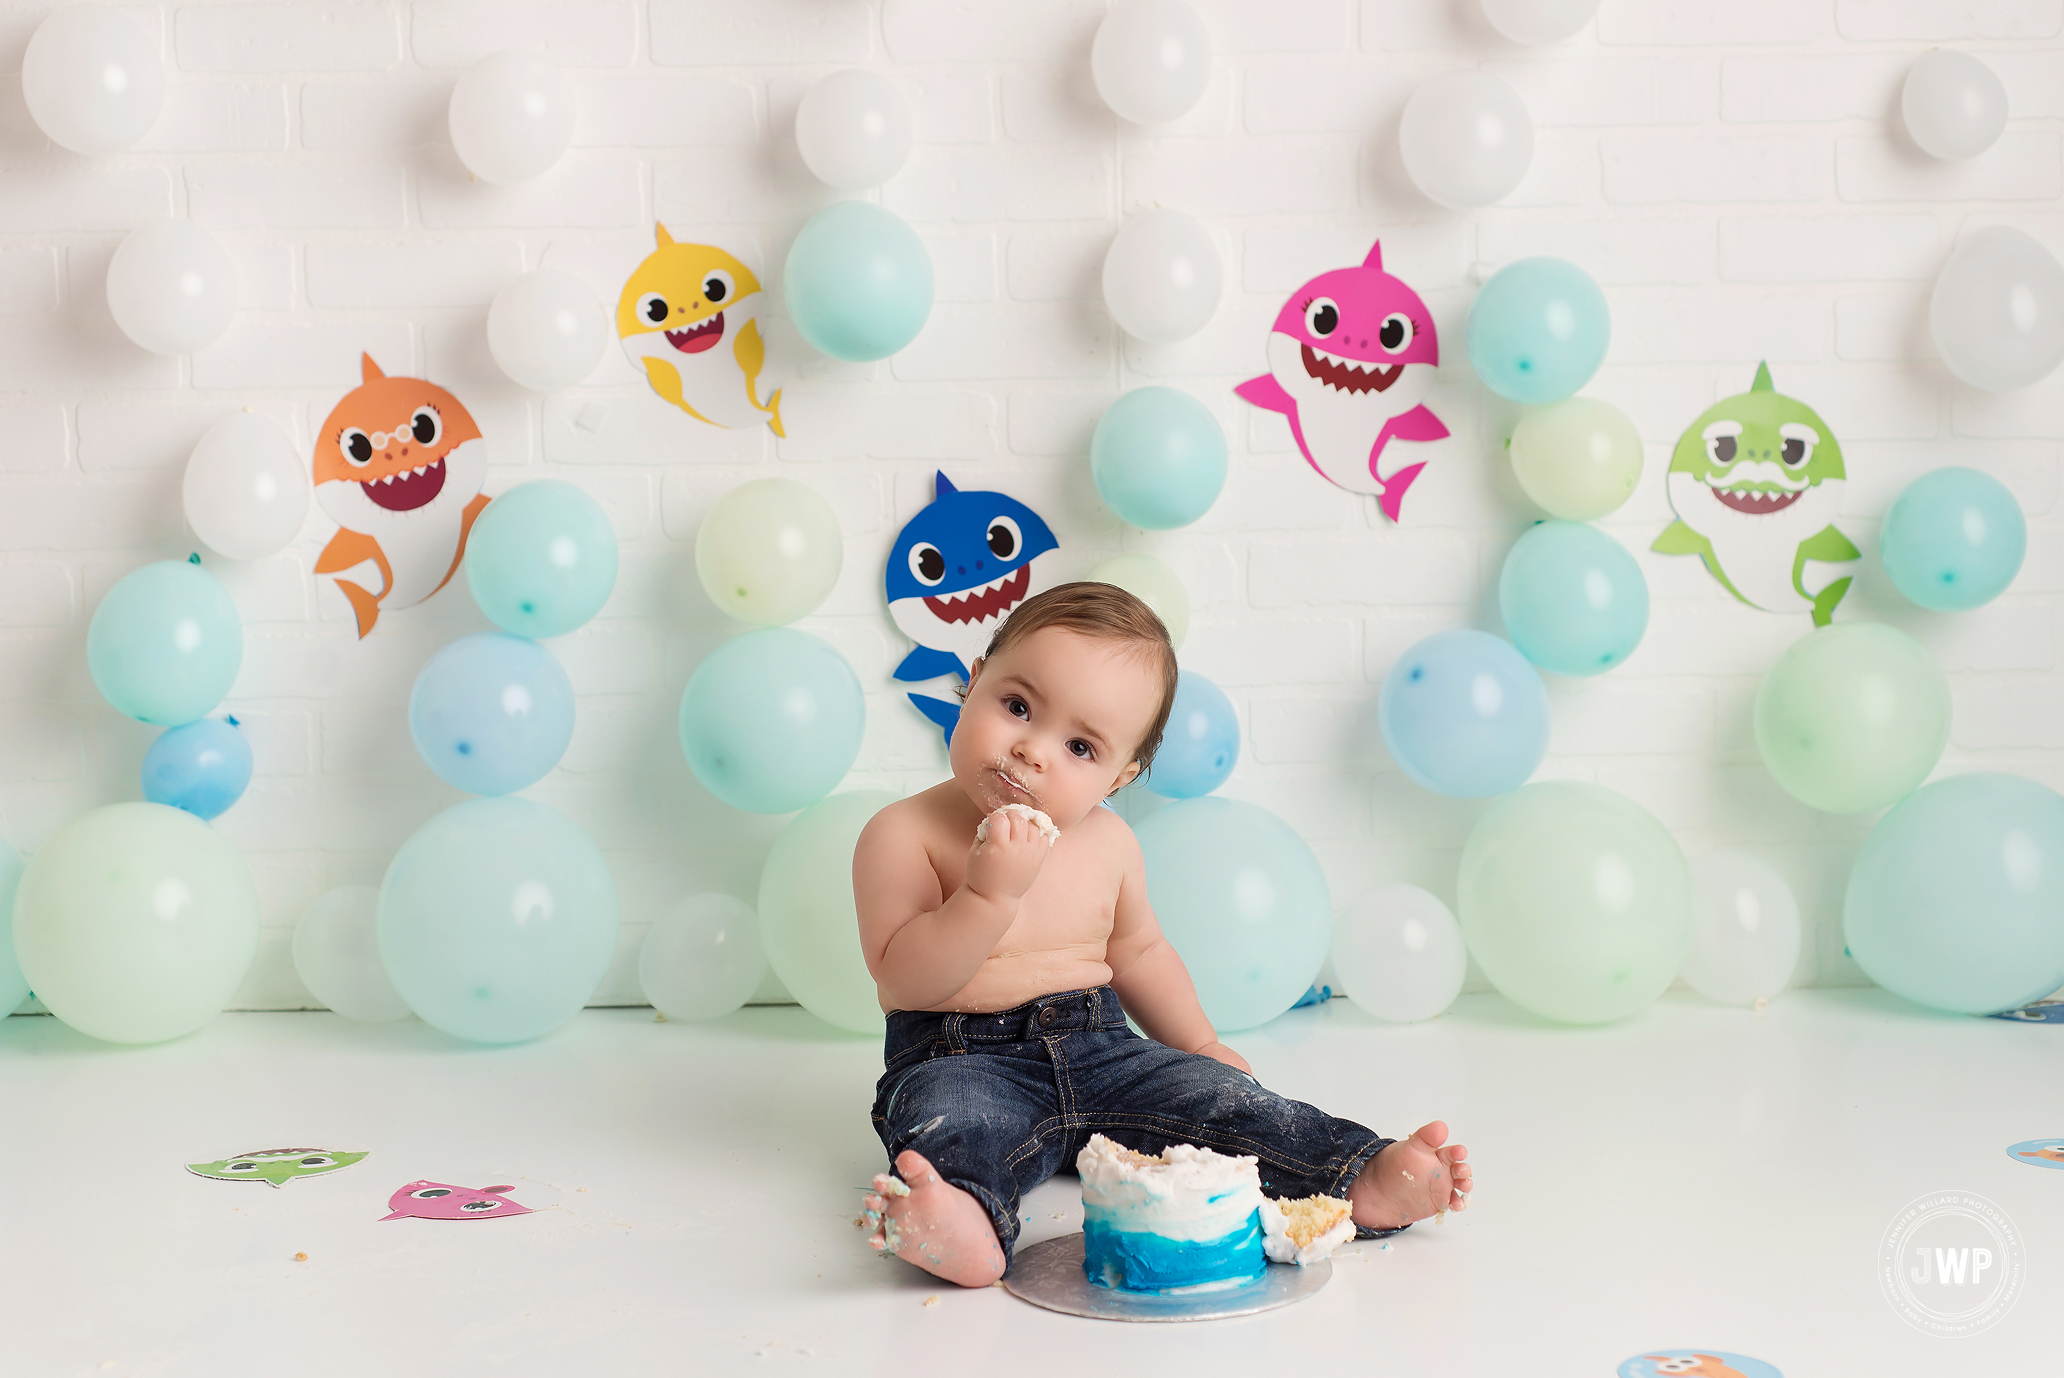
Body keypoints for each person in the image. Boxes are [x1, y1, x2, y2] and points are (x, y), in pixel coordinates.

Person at [850, 582, 1472, 1286]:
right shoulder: (900, 835)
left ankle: (1356, 1174)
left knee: (1223, 1104)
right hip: (959, 1052)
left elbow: (1138, 952)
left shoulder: (1109, 844)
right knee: (950, 1124)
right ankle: (959, 1215)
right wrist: (988, 894)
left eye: (1080, 746)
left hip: (1102, 1048)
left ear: (1122, 774)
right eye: (1017, 706)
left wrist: (1200, 1046)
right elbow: (903, 979)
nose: (1032, 751)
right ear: (972, 683)